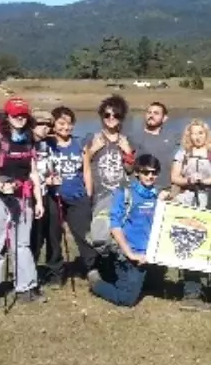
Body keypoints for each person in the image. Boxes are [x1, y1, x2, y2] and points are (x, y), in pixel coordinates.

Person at [0, 96, 46, 305]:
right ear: (8, 115)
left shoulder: (29, 139)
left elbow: (33, 172)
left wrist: (39, 201)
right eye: (16, 115)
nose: (20, 119)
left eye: (24, 115)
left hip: (23, 197)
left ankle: (26, 287)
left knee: (22, 243)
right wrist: (2, 187)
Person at [89, 153, 170, 307]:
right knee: (127, 299)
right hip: (127, 253)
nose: (150, 176)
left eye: (154, 173)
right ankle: (96, 282)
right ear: (137, 172)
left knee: (152, 286)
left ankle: (121, 277)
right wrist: (130, 253)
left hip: (148, 253)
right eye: (146, 172)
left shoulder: (158, 196)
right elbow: (115, 226)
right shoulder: (125, 193)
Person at [83, 95, 134, 282]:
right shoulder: (92, 138)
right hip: (100, 193)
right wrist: (93, 150)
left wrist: (127, 152)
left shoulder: (127, 139)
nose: (111, 118)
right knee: (101, 232)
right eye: (107, 115)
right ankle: (101, 269)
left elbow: (130, 169)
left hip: (120, 192)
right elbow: (83, 165)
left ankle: (119, 270)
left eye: (116, 115)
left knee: (119, 231)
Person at [43, 105, 97, 281]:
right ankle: (55, 272)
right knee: (53, 236)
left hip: (77, 196)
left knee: (84, 235)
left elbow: (87, 171)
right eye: (61, 123)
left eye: (69, 124)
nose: (65, 127)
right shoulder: (46, 144)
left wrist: (88, 193)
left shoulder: (80, 143)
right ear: (53, 124)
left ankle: (92, 267)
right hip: (54, 197)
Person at [171, 119, 211, 307]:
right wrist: (188, 180)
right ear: (188, 135)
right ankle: (191, 289)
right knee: (190, 241)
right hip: (188, 200)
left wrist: (206, 180)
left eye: (201, 133)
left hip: (210, 200)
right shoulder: (182, 153)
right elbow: (174, 177)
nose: (197, 137)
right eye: (194, 133)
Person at [29, 110, 63, 286]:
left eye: (49, 125)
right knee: (35, 235)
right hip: (31, 196)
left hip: (50, 194)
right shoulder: (24, 144)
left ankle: (55, 272)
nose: (45, 128)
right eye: (41, 124)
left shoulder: (49, 144)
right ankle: (29, 271)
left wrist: (55, 177)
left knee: (54, 233)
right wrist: (43, 180)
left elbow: (53, 165)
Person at [132, 102, 175, 192]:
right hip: (143, 190)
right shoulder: (134, 138)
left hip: (167, 190)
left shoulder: (172, 138)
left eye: (156, 113)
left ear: (165, 118)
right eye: (149, 112)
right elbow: (129, 167)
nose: (151, 115)